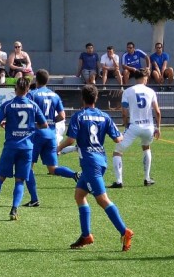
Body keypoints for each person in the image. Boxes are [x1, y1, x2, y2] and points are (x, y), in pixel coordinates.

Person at [57, 84, 133, 252]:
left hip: (91, 164)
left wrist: (58, 148)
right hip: (100, 161)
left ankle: (124, 231)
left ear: (82, 98)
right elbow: (118, 139)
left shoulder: (78, 116)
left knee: (102, 199)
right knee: (79, 194)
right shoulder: (104, 116)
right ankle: (86, 235)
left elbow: (70, 140)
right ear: (96, 98)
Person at [0, 77, 47, 221]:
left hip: (11, 146)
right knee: (19, 181)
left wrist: (7, 123)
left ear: (15, 89)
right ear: (28, 89)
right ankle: (14, 210)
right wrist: (31, 128)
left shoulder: (8, 105)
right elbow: (44, 125)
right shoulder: (33, 105)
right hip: (27, 148)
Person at [23, 69, 79, 207]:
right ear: (47, 80)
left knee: (28, 167)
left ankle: (34, 198)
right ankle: (75, 175)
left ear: (36, 79)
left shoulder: (32, 94)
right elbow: (62, 116)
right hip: (50, 135)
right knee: (53, 169)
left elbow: (27, 113)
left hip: (36, 134)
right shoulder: (54, 95)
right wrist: (50, 121)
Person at [109, 68, 161, 188]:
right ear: (144, 78)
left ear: (135, 78)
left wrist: (125, 123)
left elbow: (124, 111)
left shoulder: (128, 91)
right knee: (146, 147)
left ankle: (119, 181)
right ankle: (147, 178)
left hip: (134, 126)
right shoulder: (151, 91)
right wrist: (158, 128)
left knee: (117, 151)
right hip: (149, 127)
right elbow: (157, 112)